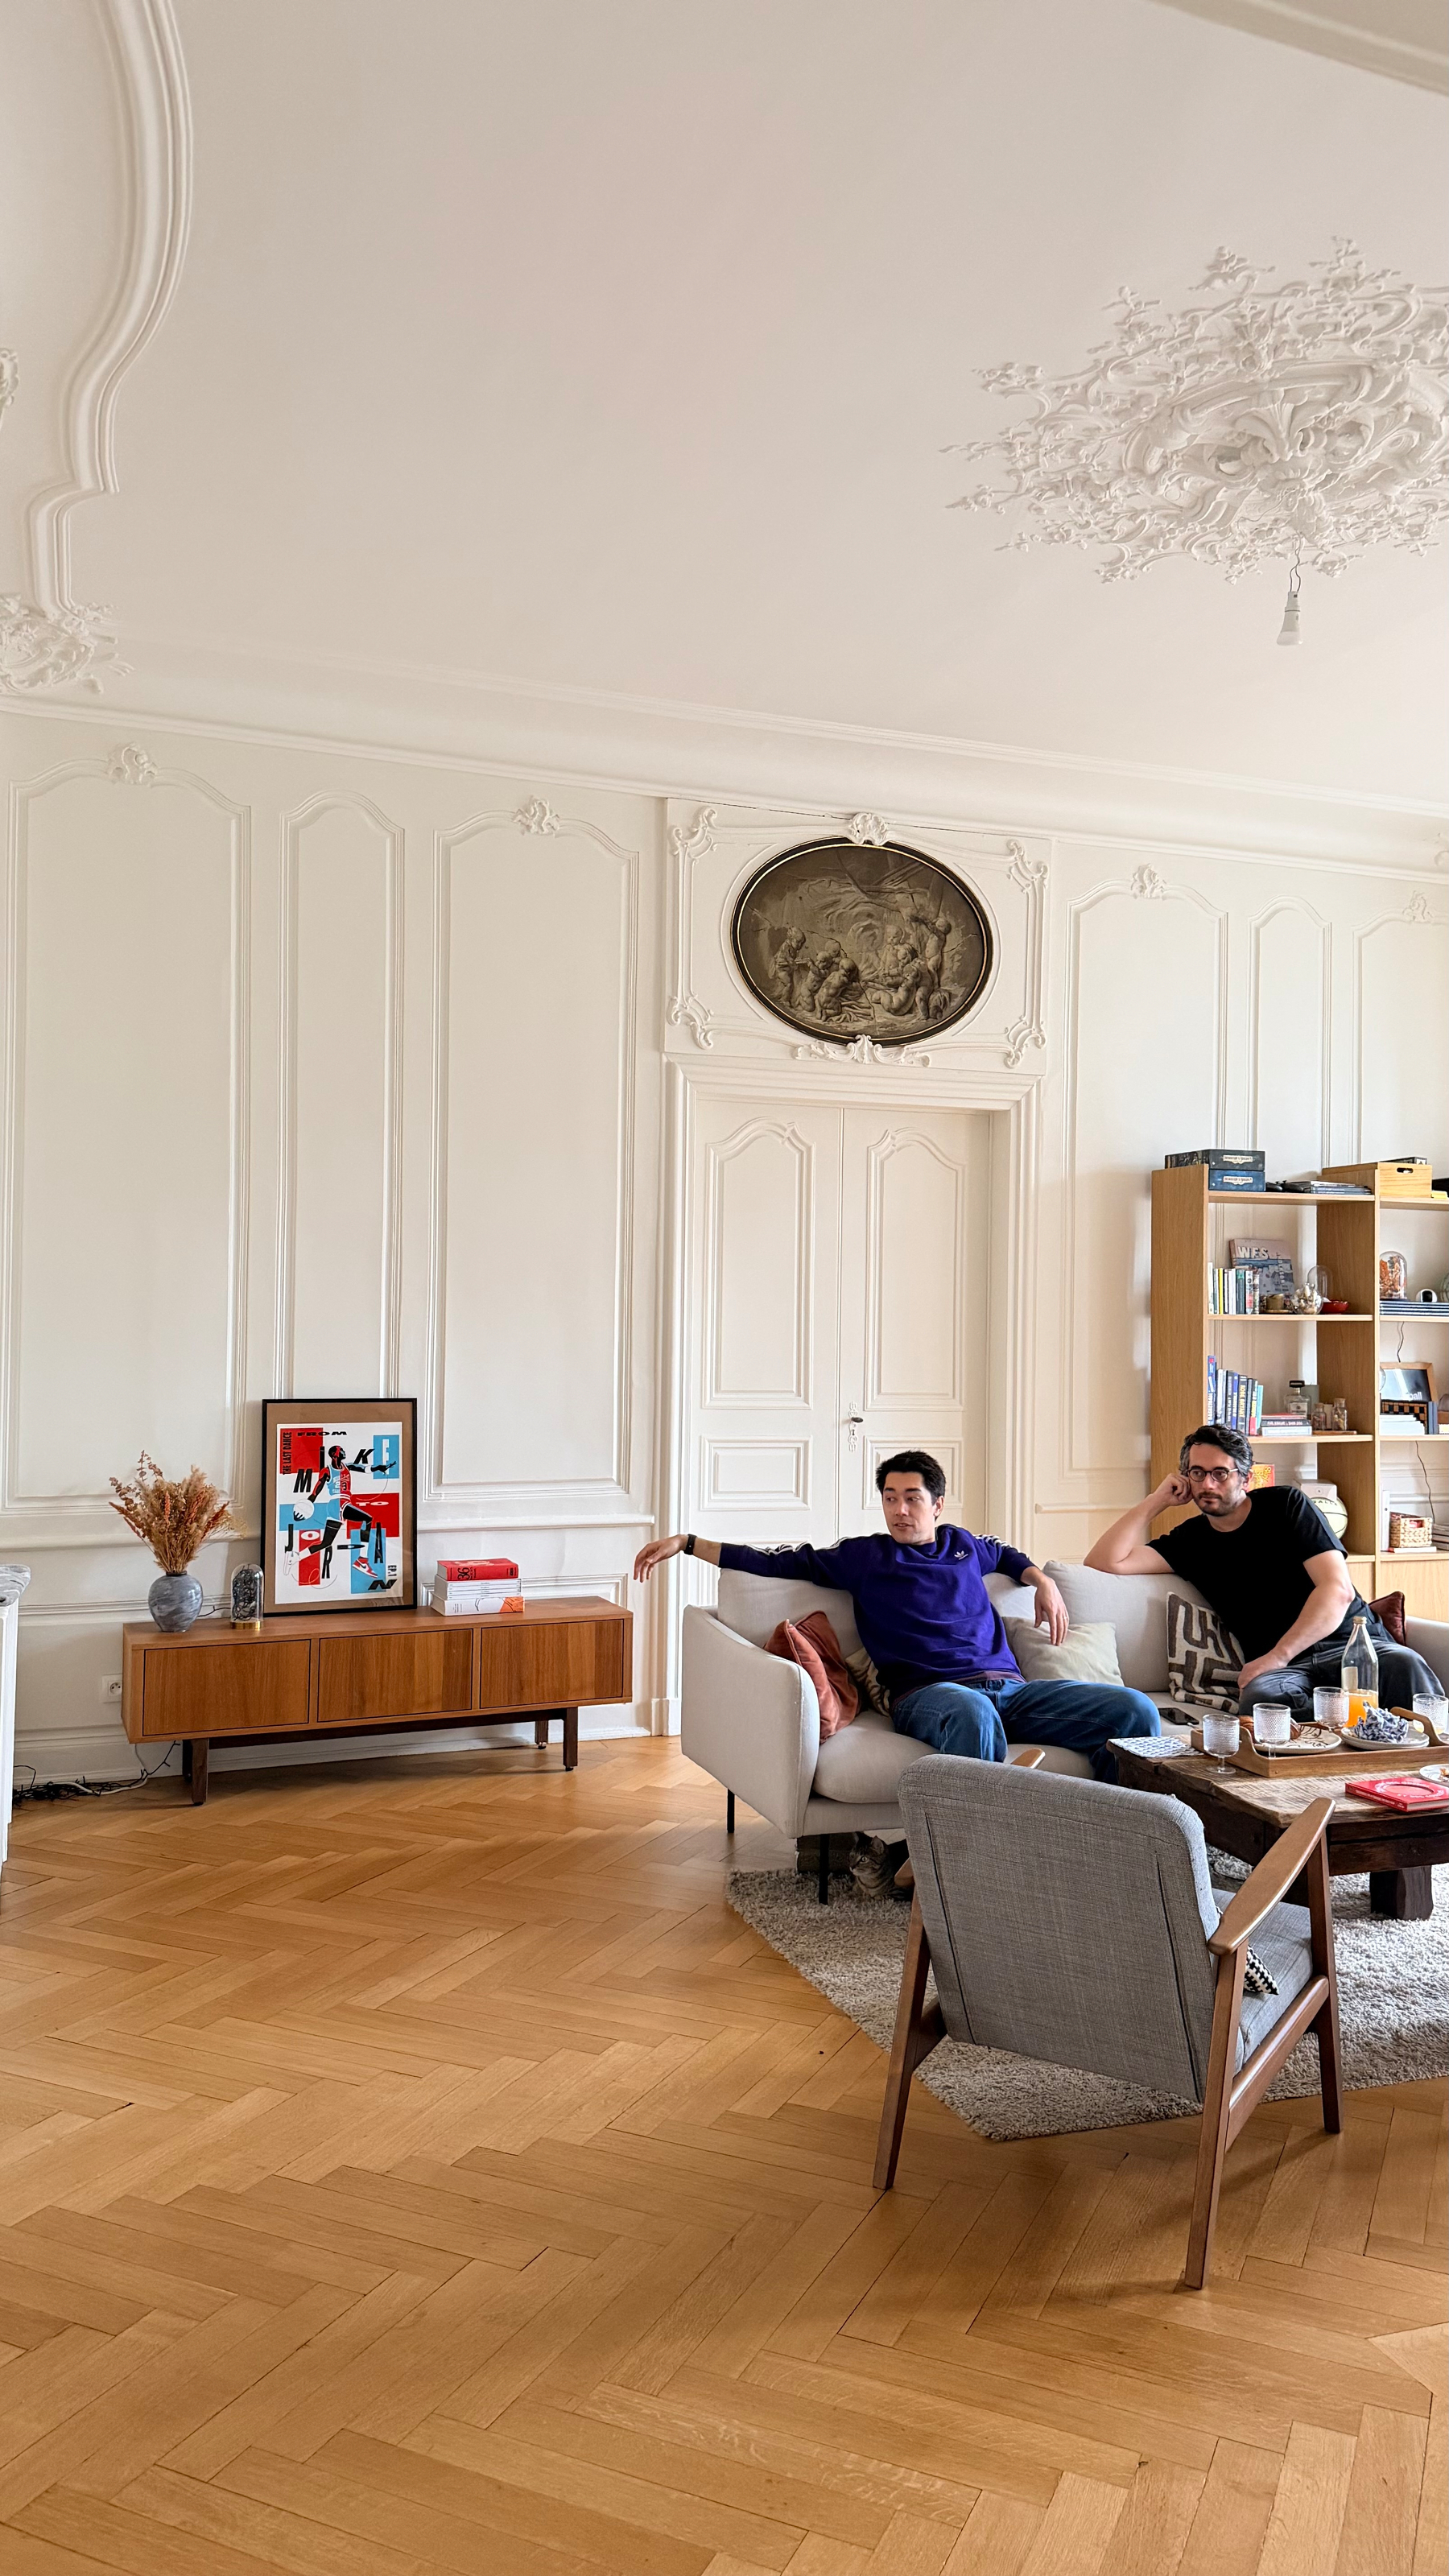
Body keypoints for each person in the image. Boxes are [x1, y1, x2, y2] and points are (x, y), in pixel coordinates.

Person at [634, 1449, 1161, 1780]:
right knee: (972, 1716)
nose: (900, 1510)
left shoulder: (963, 1545)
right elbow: (771, 1560)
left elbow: (1005, 1553)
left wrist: (1041, 1580)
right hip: (929, 1695)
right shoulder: (866, 1557)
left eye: (912, 1498)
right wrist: (687, 1543)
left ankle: (1116, 1832)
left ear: (938, 1504)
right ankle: (964, 1861)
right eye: (890, 1498)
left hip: (1011, 1691)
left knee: (1134, 1711)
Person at [1085, 1422, 1441, 1717]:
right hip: (1288, 1674)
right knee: (1262, 1700)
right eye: (1197, 1473)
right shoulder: (1189, 1541)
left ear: (1245, 1478)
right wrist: (1156, 1501)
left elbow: (1337, 1590)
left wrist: (1274, 1657)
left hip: (1352, 1649)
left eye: (1220, 1473)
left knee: (1405, 1664)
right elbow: (1104, 1561)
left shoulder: (1287, 1506)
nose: (1207, 1484)